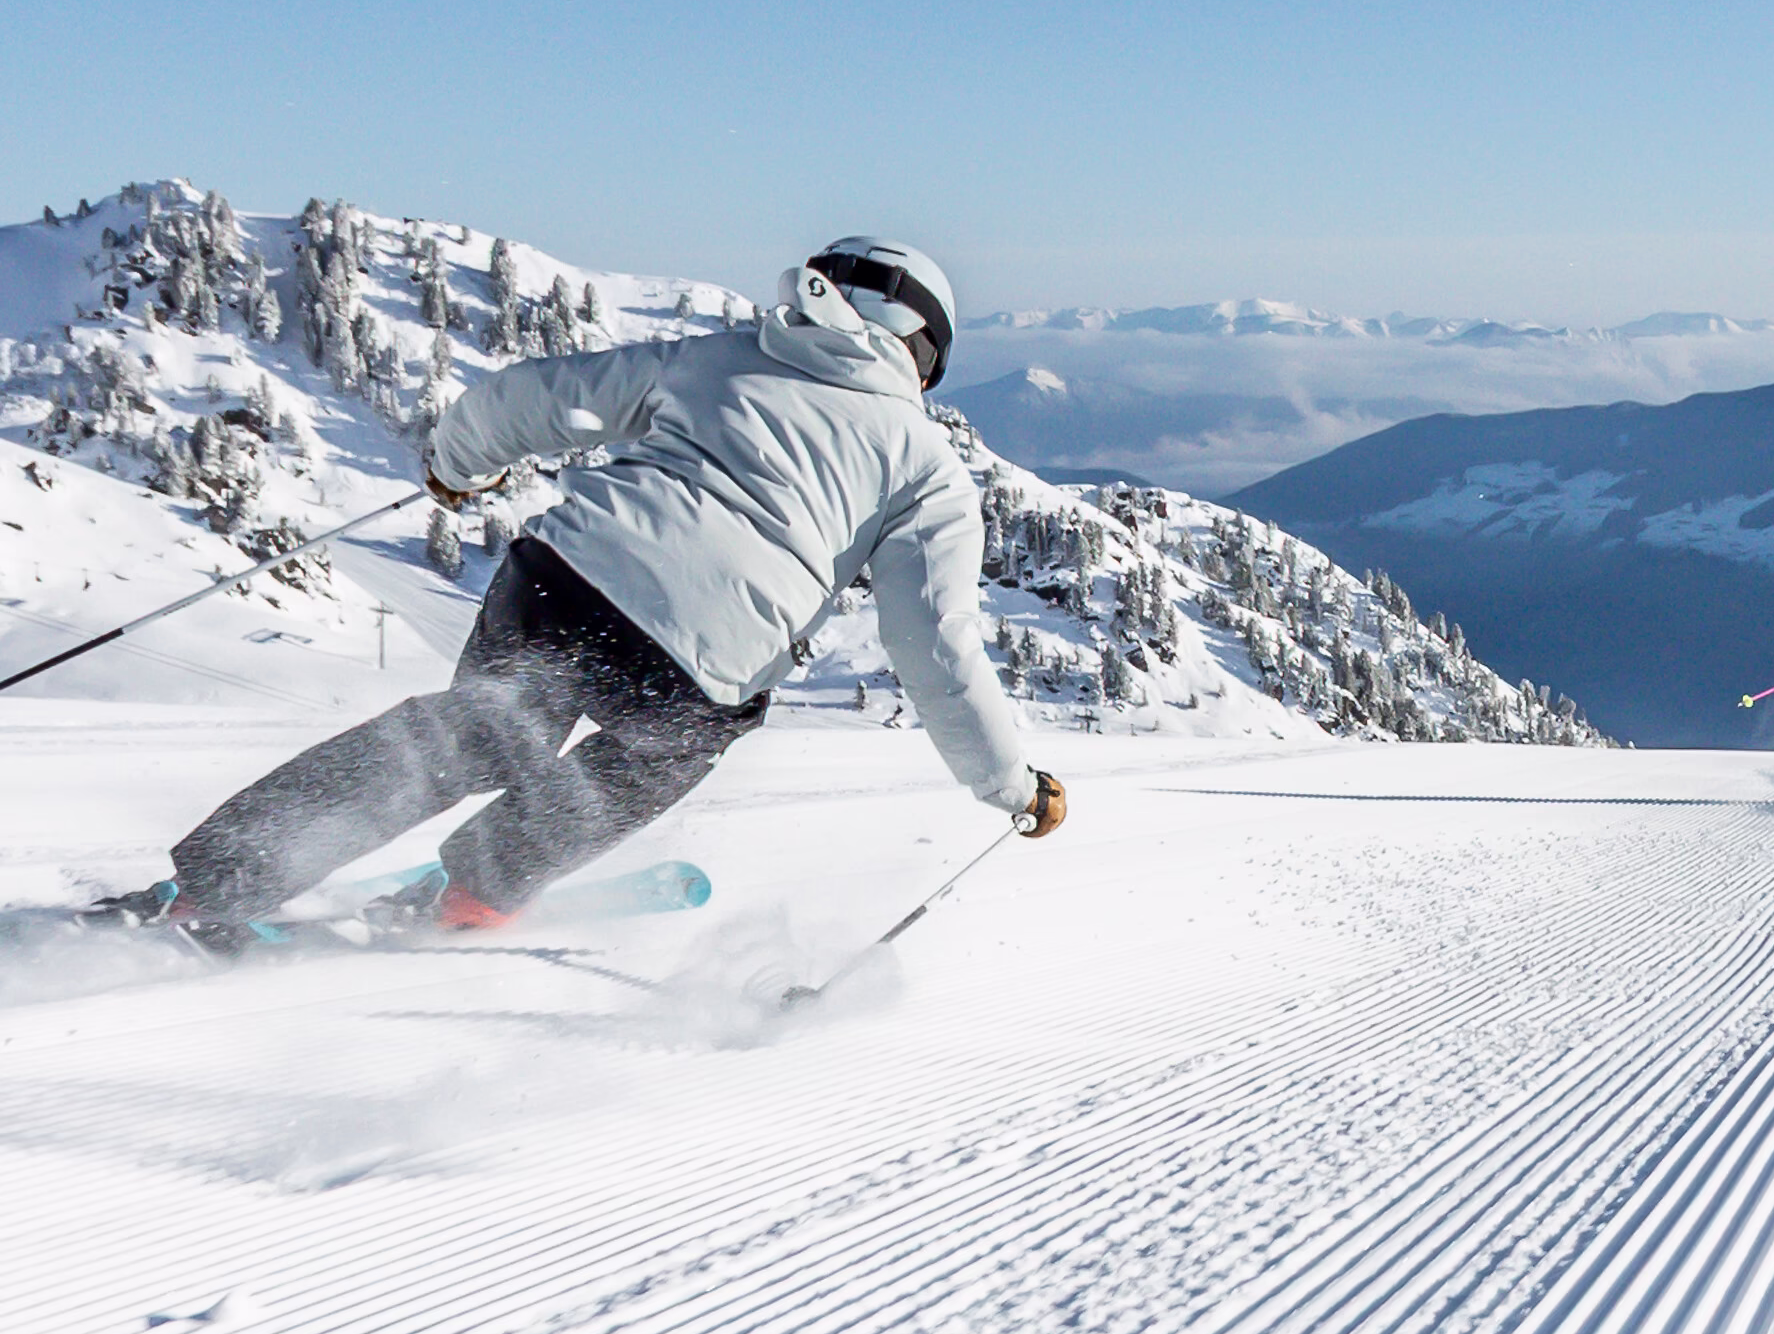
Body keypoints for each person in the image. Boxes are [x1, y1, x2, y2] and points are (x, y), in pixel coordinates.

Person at [114, 238, 1065, 949]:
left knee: (469, 734)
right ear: (922, 357)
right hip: (700, 666)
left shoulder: (715, 358)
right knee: (657, 752)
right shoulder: (929, 472)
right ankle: (478, 889)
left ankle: (214, 887)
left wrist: (453, 467)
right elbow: (935, 651)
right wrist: (1010, 787)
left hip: (562, 583)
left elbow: (529, 400)